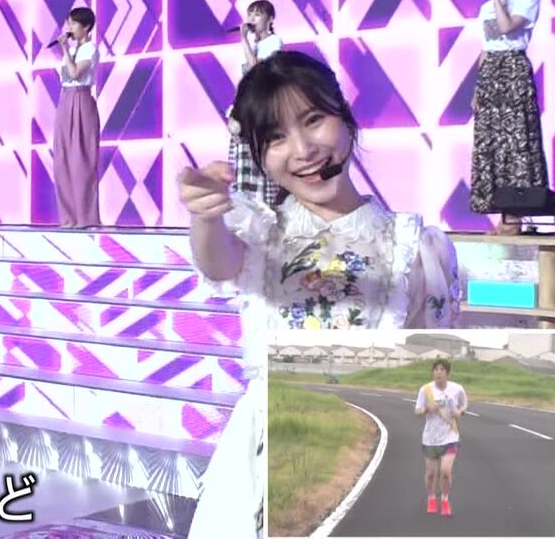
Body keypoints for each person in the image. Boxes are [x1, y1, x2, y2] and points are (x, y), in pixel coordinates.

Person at [179, 51, 462, 539]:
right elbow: (217, 262)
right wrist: (205, 214)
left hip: (367, 454)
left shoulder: (416, 245)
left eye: (313, 120)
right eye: (276, 138)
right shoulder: (259, 232)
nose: (303, 150)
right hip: (266, 457)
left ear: (345, 118)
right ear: (259, 157)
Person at [470, 0, 546, 234]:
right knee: (492, 142)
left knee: (516, 142)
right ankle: (502, 215)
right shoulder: (485, 8)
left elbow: (506, 28)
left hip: (513, 69)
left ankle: (515, 217)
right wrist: (477, 89)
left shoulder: (528, 0)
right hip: (491, 72)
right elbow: (486, 48)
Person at [229, 0, 284, 208]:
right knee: (243, 166)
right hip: (247, 108)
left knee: (260, 163)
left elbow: (256, 70)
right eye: (250, 14)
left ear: (270, 19)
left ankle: (265, 214)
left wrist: (243, 38)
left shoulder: (274, 42)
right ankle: (245, 213)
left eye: (258, 14)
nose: (252, 19)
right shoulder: (253, 46)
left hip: (263, 109)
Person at [52, 6, 101, 229]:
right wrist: (66, 50)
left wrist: (64, 48)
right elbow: (66, 78)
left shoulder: (90, 49)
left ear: (86, 27)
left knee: (81, 160)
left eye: (73, 23)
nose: (69, 28)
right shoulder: (72, 50)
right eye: (68, 23)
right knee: (61, 159)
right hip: (65, 99)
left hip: (81, 100)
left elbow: (75, 73)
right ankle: (68, 218)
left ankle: (86, 218)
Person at [415, 359, 467, 517]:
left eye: (442, 369)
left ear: (447, 373)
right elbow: (417, 410)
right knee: (430, 473)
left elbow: (464, 404)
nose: (438, 372)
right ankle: (431, 498)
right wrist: (427, 409)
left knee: (445, 471)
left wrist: (459, 412)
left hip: (450, 436)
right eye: (436, 369)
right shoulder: (426, 389)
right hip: (430, 437)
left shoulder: (457, 389)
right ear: (433, 372)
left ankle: (444, 499)